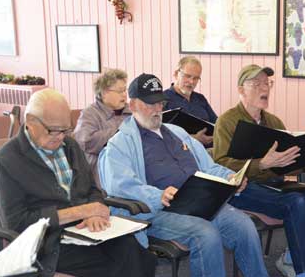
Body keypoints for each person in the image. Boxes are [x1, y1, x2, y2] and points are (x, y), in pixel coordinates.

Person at [99, 73, 268, 277]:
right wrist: (157, 195)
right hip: (161, 212)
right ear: (133, 105)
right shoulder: (120, 144)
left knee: (244, 225)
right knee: (205, 234)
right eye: (150, 104)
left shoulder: (177, 132)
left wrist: (231, 178)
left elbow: (209, 167)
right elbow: (121, 186)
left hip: (200, 203)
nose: (157, 110)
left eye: (160, 103)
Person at [0, 88, 156, 277]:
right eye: (53, 130)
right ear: (30, 121)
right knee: (116, 265)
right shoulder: (9, 158)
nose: (61, 136)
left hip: (83, 231)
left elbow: (92, 190)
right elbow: (17, 222)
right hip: (47, 243)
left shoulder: (70, 146)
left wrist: (95, 212)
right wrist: (80, 212)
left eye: (65, 130)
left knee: (132, 249)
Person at [212, 64, 305, 277]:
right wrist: (261, 164)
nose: (265, 88)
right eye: (257, 84)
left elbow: (287, 158)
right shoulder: (227, 121)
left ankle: (292, 258)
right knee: (295, 202)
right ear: (241, 89)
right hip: (242, 188)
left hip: (274, 184)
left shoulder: (274, 121)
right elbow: (221, 164)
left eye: (267, 83)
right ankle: (304, 271)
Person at [74, 69, 131, 185]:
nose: (125, 95)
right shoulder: (90, 113)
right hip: (101, 174)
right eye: (120, 91)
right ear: (104, 93)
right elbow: (85, 141)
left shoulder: (131, 110)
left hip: (130, 168)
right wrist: (120, 132)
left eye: (125, 90)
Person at [164, 56, 217, 146]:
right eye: (188, 76)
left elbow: (216, 124)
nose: (191, 81)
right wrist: (193, 139)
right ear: (176, 74)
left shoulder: (200, 99)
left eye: (196, 78)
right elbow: (160, 134)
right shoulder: (163, 99)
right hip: (181, 153)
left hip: (208, 151)